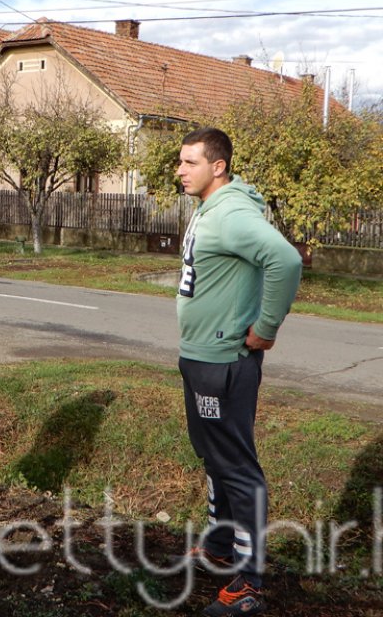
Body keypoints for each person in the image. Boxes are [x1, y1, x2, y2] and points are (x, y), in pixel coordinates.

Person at [175, 127, 302, 617]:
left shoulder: (228, 214)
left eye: (190, 162)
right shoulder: (210, 209)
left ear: (218, 166)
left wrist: (265, 328)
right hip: (201, 357)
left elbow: (285, 259)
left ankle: (249, 583)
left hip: (224, 361)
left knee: (237, 468)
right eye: (180, 162)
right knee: (215, 458)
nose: (180, 171)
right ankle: (220, 548)